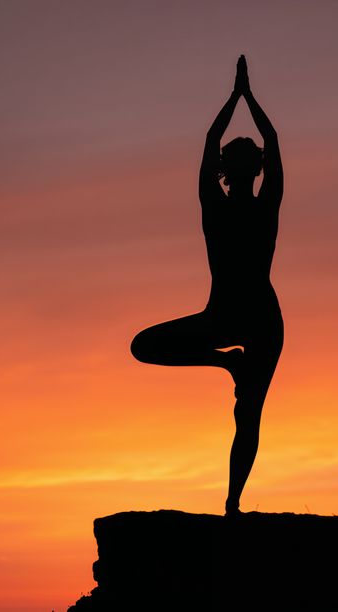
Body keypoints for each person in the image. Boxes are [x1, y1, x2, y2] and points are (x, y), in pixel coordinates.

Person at [130, 55, 284, 516]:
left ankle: (232, 504)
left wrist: (238, 96)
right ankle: (225, 364)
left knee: (248, 415)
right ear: (245, 169)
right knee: (145, 346)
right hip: (228, 318)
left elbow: (219, 140)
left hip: (256, 322)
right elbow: (259, 140)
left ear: (248, 169)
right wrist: (245, 96)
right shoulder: (231, 206)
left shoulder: (251, 206)